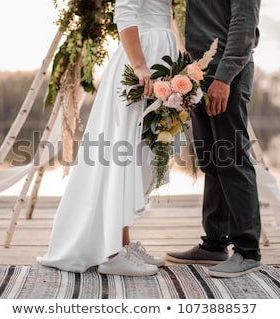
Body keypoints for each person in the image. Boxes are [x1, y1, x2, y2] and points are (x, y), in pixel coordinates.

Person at [37, 0, 176, 276]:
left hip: (159, 55)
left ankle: (122, 243)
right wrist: (139, 65)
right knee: (121, 153)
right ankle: (111, 254)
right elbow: (125, 11)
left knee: (140, 153)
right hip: (143, 61)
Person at [166, 0, 263, 278]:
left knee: (232, 159)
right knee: (210, 160)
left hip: (225, 73)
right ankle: (214, 244)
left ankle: (248, 250)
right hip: (199, 72)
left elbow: (244, 26)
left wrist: (224, 78)